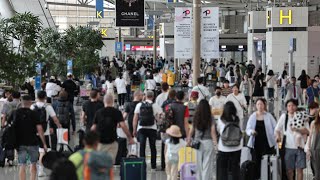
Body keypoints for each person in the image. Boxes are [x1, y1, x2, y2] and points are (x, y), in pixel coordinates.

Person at [91, 94, 134, 162]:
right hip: (112, 142)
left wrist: (90, 141)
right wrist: (130, 138)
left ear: (104, 101)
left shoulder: (99, 112)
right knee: (109, 163)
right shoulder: (117, 112)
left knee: (100, 162)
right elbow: (123, 126)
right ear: (112, 101)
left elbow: (93, 128)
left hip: (100, 142)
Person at [275, 99, 309, 180]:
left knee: (299, 170)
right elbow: (277, 129)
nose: (291, 107)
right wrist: (278, 137)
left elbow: (307, 131)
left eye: (293, 105)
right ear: (286, 107)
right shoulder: (284, 117)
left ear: (296, 106)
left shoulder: (302, 116)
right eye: (289, 106)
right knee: (289, 170)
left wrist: (297, 130)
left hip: (300, 147)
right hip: (288, 147)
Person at [15, 95, 47, 180]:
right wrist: (44, 143)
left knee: (22, 165)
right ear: (30, 103)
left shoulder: (16, 113)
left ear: (21, 102)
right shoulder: (34, 113)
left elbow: (10, 128)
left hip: (20, 143)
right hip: (33, 142)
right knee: (33, 164)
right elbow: (40, 129)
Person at [31, 91, 62, 177]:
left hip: (34, 131)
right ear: (45, 97)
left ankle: (34, 169)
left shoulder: (32, 106)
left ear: (37, 97)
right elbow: (55, 119)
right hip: (45, 132)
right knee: (42, 152)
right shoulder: (48, 106)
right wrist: (59, 126)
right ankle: (40, 170)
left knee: (34, 151)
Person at [246, 98, 277, 179]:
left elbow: (275, 127)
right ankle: (257, 177)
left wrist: (276, 136)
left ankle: (266, 176)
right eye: (258, 104)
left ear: (264, 105)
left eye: (261, 104)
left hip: (267, 142)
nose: (260, 106)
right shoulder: (253, 116)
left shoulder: (269, 115)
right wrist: (251, 132)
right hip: (256, 142)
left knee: (267, 160)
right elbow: (247, 129)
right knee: (256, 160)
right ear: (256, 106)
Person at [133, 91, 163, 171]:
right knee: (152, 147)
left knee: (142, 147)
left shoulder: (139, 105)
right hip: (152, 128)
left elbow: (135, 119)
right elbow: (160, 117)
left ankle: (143, 165)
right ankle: (153, 166)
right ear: (153, 97)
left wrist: (134, 129)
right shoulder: (155, 105)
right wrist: (159, 124)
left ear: (145, 96)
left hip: (141, 128)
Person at [188, 100, 218, 180]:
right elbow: (213, 131)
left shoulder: (196, 116)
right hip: (208, 142)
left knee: (197, 164)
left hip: (197, 143)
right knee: (207, 164)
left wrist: (188, 140)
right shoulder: (210, 117)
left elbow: (191, 130)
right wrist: (216, 144)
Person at [216, 102, 243, 180]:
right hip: (237, 147)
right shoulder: (238, 118)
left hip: (223, 147)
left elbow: (219, 130)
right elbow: (241, 130)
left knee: (223, 168)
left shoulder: (221, 119)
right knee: (235, 168)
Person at [305, 109, 320, 180]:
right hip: (315, 150)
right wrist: (308, 149)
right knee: (317, 173)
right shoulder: (313, 123)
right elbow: (310, 137)